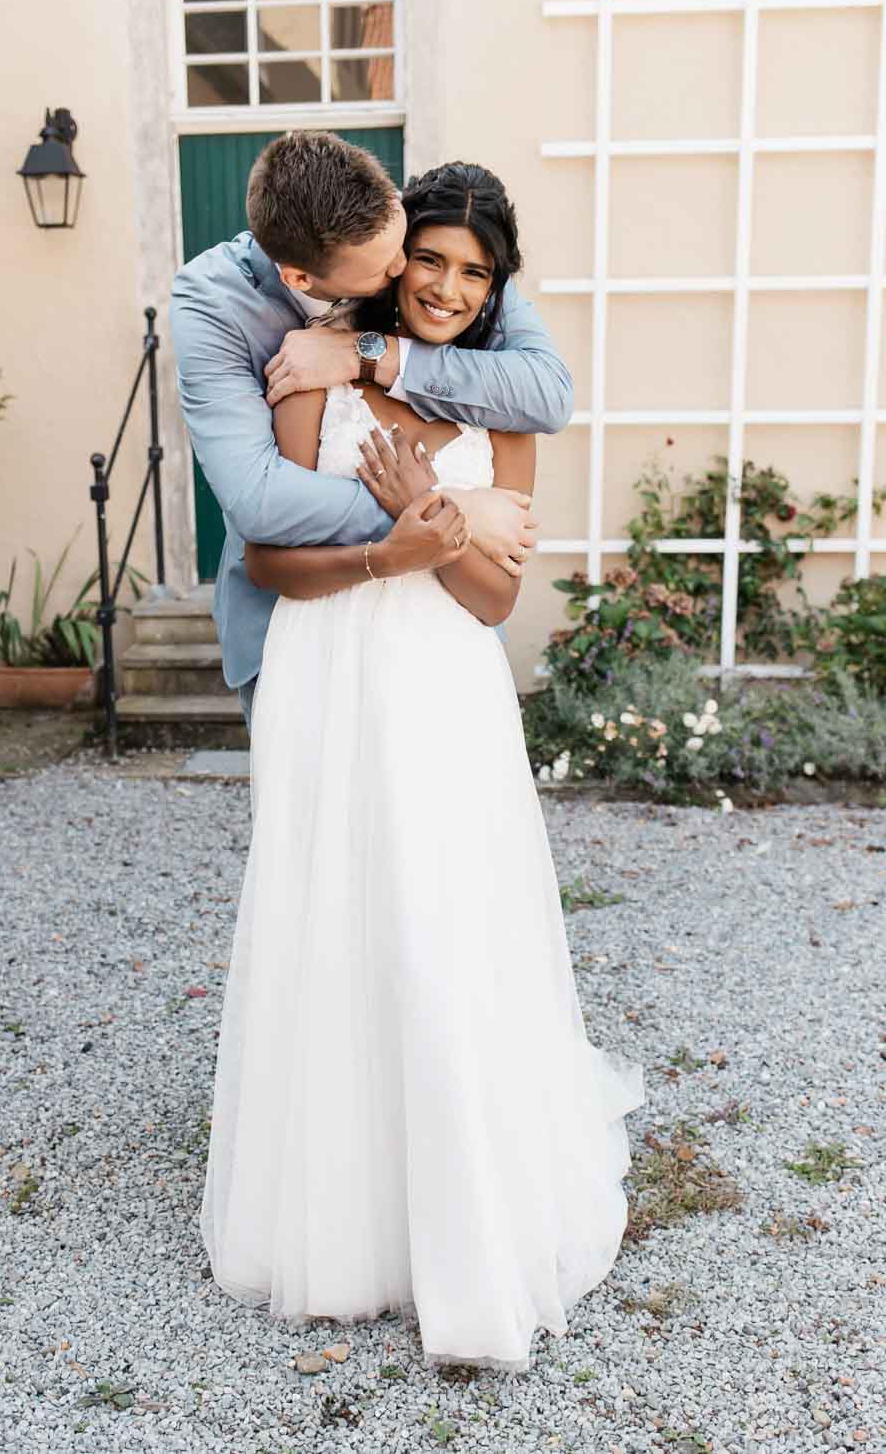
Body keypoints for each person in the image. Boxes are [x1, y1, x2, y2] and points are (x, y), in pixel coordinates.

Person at [197, 159, 646, 1373]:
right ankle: (340, 1223)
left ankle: (459, 1203)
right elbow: (269, 566)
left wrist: (438, 531)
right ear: (393, 263)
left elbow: (497, 600)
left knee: (444, 919)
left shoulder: (505, 404)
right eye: (429, 260)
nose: (446, 286)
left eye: (473, 271)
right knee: (332, 914)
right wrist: (394, 547)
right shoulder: (311, 367)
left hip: (444, 689)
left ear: (496, 286)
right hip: (326, 674)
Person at [168, 130, 574, 732]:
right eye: (393, 265)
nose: (409, 270)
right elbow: (258, 502)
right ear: (302, 280)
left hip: (444, 654)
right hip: (297, 636)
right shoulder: (213, 307)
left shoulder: (428, 244)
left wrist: (370, 353)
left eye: (405, 244)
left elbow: (549, 394)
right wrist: (448, 510)